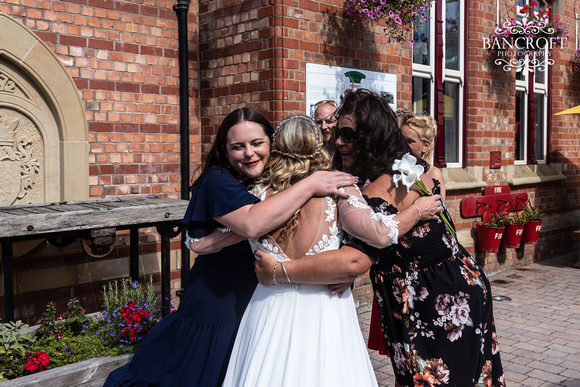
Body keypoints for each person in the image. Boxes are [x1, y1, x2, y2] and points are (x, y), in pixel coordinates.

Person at [256, 89, 505, 386]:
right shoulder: (396, 169)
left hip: (437, 297)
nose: (337, 141)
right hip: (437, 287)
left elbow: (358, 257)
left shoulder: (382, 183)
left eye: (347, 134)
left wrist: (280, 271)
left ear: (371, 136)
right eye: (336, 133)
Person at [103, 107, 356, 387]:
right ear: (225, 150)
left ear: (273, 144)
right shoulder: (219, 180)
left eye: (257, 143)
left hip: (260, 300)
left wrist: (338, 270)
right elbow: (251, 225)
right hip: (219, 302)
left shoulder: (275, 181)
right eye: (238, 147)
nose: (249, 153)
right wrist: (310, 185)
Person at [188, 115, 442, 386]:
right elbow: (379, 233)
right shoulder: (339, 189)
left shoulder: (258, 198)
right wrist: (416, 211)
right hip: (324, 308)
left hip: (269, 309)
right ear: (320, 146)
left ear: (276, 149)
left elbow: (201, 243)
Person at [399, 113, 446, 199]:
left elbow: (440, 209)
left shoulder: (433, 173)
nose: (403, 145)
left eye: (410, 141)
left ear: (426, 146)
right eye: (401, 140)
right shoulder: (395, 167)